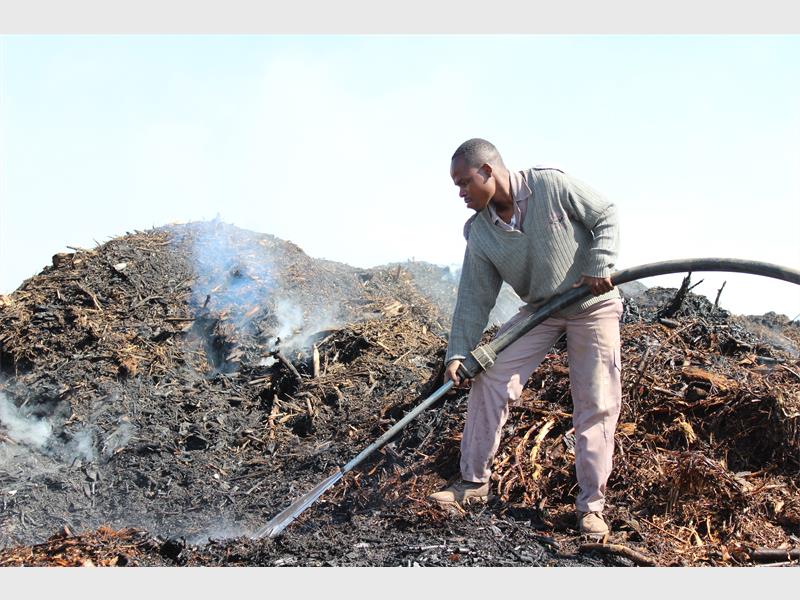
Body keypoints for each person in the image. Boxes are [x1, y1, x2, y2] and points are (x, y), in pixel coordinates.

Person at [428, 138, 623, 538]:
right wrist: (459, 352)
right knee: (489, 375)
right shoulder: (481, 233)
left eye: (464, 183)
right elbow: (473, 298)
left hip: (592, 303)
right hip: (541, 310)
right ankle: (473, 483)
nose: (461, 193)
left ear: (487, 170)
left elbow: (605, 213)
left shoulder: (550, 185)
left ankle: (591, 507)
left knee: (596, 402)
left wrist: (599, 262)